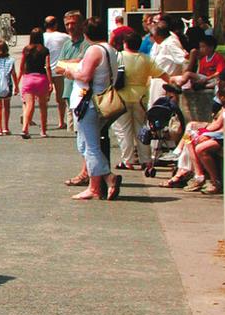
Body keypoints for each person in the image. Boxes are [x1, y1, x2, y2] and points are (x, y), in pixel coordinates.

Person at [57, 16, 117, 201]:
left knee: (90, 146)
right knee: (85, 144)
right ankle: (103, 179)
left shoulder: (94, 51)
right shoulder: (110, 50)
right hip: (98, 99)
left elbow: (85, 75)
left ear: (86, 32)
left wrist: (69, 71)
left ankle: (98, 184)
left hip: (88, 102)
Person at [114, 27, 157, 171]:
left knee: (123, 130)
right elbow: (162, 74)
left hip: (122, 96)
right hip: (141, 96)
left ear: (125, 43)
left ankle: (128, 160)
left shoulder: (119, 56)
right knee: (141, 129)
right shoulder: (145, 59)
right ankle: (146, 160)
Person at [47, 11, 80, 130]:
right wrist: (76, 62)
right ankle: (61, 122)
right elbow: (59, 67)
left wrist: (67, 64)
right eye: (67, 24)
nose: (70, 27)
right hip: (66, 86)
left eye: (74, 23)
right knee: (60, 100)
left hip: (83, 94)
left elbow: (84, 63)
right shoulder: (66, 42)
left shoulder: (86, 43)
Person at [18, 28, 53, 138]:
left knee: (29, 105)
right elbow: (47, 66)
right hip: (41, 79)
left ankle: (25, 129)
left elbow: (21, 67)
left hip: (28, 79)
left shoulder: (26, 49)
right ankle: (43, 131)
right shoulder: (45, 50)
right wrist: (50, 82)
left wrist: (17, 81)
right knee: (43, 106)